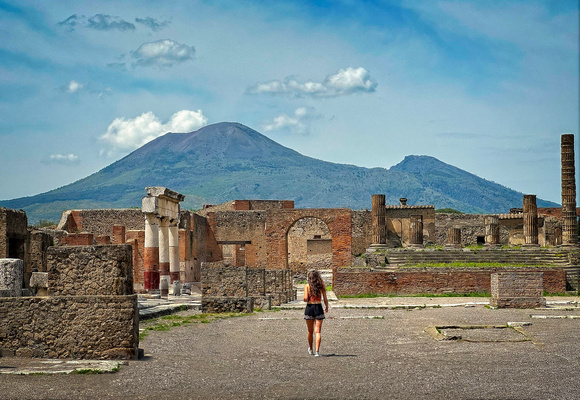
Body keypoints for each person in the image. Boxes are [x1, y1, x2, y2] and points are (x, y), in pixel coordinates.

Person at [303, 269, 329, 357]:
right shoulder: (322, 286)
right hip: (318, 307)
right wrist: (327, 307)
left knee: (310, 331)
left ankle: (310, 349)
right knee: (318, 331)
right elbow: (325, 299)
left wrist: (306, 298)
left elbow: (305, 298)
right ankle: (317, 351)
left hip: (310, 307)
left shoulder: (307, 286)